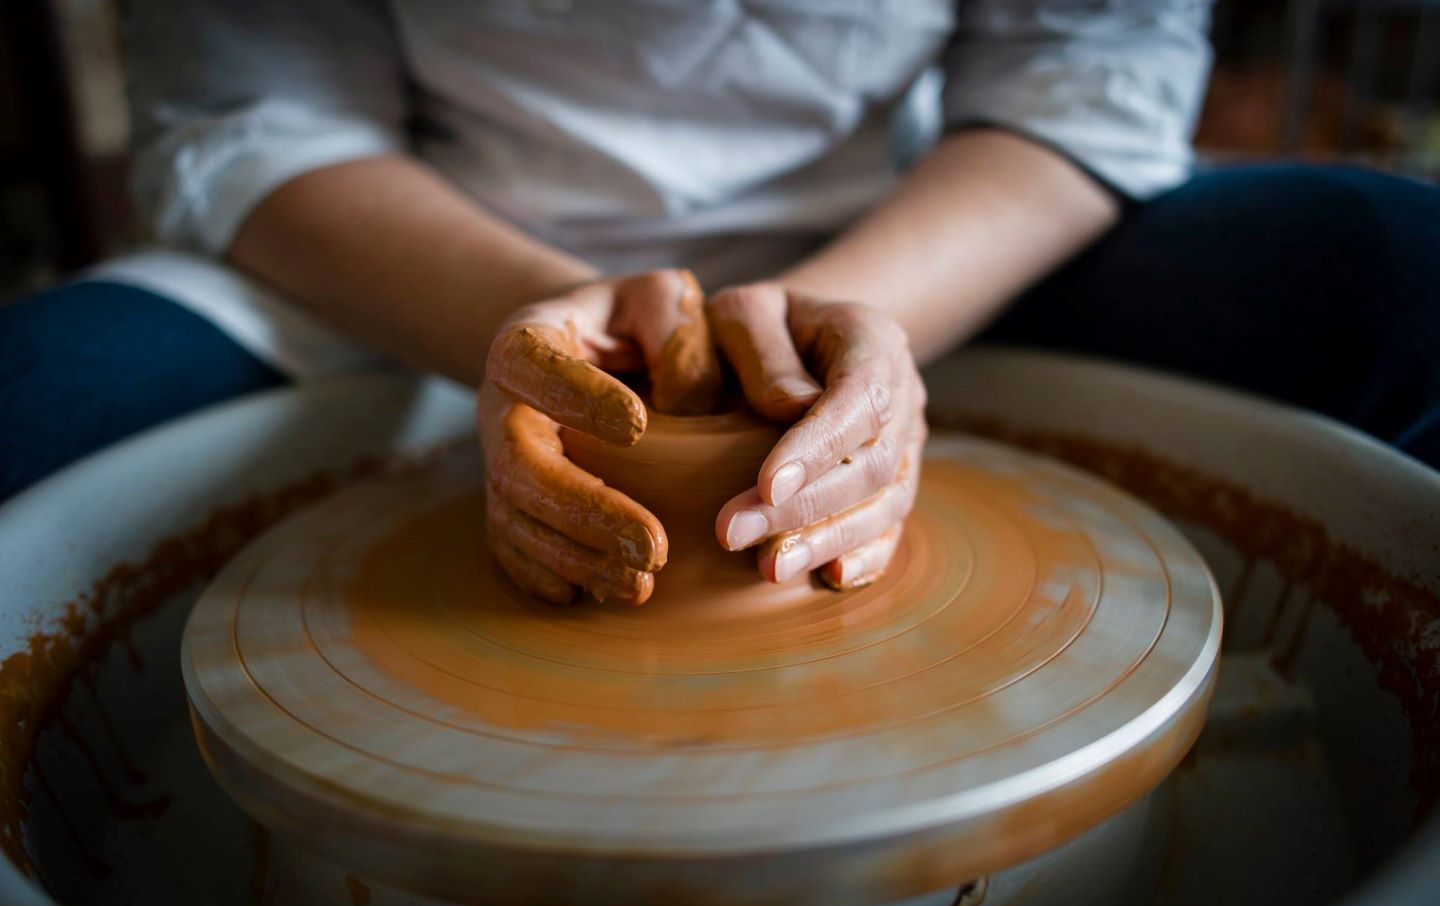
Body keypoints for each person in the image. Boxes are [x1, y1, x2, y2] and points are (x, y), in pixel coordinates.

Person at [4, 2, 1439, 604]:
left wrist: (846, 315)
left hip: (895, 248)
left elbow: (1083, 78)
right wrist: (525, 323)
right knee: (34, 407)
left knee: (1398, 272)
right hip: (412, 254)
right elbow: (252, 111)